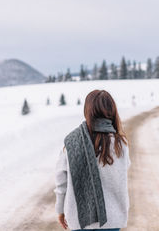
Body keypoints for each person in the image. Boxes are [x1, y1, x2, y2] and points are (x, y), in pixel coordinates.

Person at [54, 89, 130, 231]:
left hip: (78, 220)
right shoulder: (120, 144)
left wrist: (60, 209)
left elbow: (61, 181)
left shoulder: (71, 142)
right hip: (112, 220)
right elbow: (124, 171)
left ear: (87, 111)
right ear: (112, 111)